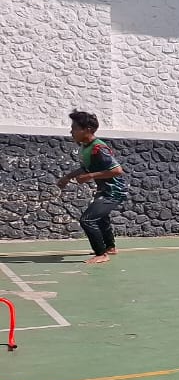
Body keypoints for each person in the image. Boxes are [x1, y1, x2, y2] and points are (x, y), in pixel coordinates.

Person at [56, 110, 129, 264]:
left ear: (87, 130)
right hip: (105, 190)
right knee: (101, 218)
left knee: (87, 220)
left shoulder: (99, 148)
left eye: (75, 128)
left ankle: (101, 254)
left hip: (114, 191)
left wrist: (89, 176)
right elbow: (85, 167)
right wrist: (67, 177)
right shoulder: (85, 147)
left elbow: (117, 170)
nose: (71, 131)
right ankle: (110, 247)